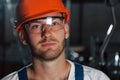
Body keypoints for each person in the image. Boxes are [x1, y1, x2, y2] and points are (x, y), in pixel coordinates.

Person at [1, 0, 110, 80]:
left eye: (54, 23)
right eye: (36, 26)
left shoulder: (96, 78)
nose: (47, 33)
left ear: (66, 30)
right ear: (23, 36)